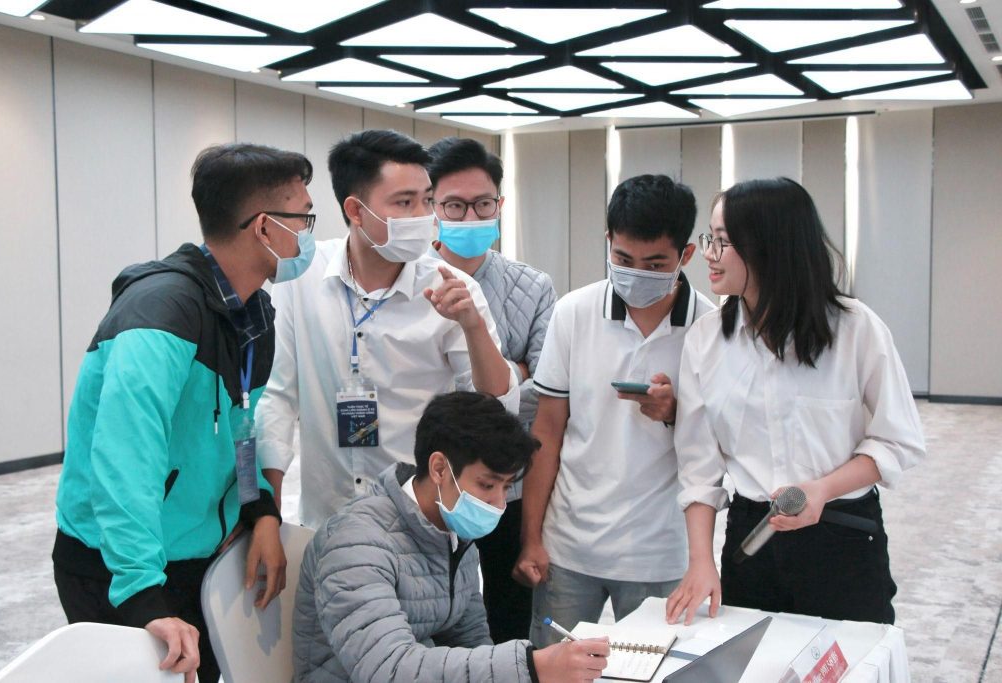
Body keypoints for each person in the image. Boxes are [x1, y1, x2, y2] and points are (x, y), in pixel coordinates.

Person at [53, 143, 316, 682]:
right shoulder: (160, 315)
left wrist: (260, 510)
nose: (309, 234)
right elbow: (124, 464)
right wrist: (143, 596)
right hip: (117, 566)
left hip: (195, 556)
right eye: (303, 218)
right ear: (264, 228)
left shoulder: (253, 314)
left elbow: (240, 431)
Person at [665, 177, 926, 627]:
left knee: (848, 659)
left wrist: (822, 489)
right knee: (753, 657)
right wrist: (701, 561)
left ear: (770, 245)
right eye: (710, 238)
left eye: (723, 241)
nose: (709, 253)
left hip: (842, 535)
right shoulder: (706, 340)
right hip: (753, 539)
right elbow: (698, 467)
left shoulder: (855, 329)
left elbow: (897, 440)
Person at [256, 129, 517, 529]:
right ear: (356, 211)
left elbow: (497, 410)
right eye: (404, 202)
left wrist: (473, 327)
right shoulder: (303, 278)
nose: (423, 216)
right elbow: (277, 397)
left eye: (427, 200)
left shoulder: (452, 288)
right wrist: (267, 515)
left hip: (416, 522)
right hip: (326, 518)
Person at [513, 175, 716, 648]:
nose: (635, 274)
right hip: (569, 548)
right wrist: (531, 538)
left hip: (661, 553)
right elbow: (547, 434)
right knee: (554, 668)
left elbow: (718, 449)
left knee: (658, 670)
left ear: (685, 255)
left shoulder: (711, 327)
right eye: (623, 259)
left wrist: (675, 413)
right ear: (608, 241)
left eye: (654, 264)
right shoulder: (574, 313)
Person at [293, 391, 610, 683]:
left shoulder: (453, 532)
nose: (499, 504)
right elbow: (390, 670)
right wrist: (530, 665)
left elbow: (472, 642)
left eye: (506, 487)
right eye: (487, 485)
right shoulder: (356, 544)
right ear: (439, 469)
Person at [427, 136, 557, 642]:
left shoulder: (534, 286)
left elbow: (543, 394)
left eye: (482, 204)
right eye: (454, 206)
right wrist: (510, 370)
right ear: (432, 207)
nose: (470, 216)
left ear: (500, 205)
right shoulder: (410, 282)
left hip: (508, 485)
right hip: (432, 488)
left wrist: (512, 380)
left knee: (508, 621)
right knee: (434, 619)